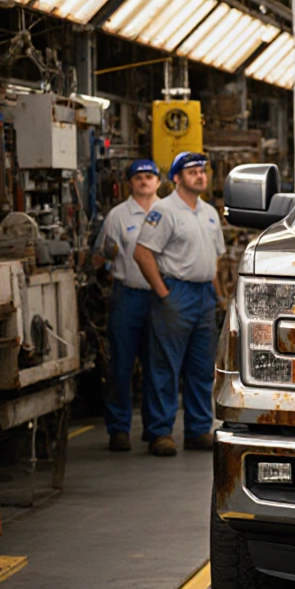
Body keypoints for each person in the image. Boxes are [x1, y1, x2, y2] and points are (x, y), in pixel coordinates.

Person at [133, 152, 225, 457]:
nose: (200, 176)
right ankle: (161, 432)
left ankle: (199, 429)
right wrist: (163, 294)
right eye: (192, 172)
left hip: (204, 295)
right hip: (177, 293)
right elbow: (143, 253)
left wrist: (219, 296)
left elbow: (214, 260)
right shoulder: (164, 211)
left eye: (202, 171)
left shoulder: (210, 213)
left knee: (201, 368)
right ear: (176, 178)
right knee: (165, 366)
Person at [94, 159, 162, 452]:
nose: (144, 181)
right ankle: (119, 428)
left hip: (161, 298)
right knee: (121, 365)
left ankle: (157, 429)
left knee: (158, 367)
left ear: (158, 182)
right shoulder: (118, 216)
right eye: (138, 177)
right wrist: (105, 266)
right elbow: (103, 254)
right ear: (129, 183)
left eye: (149, 176)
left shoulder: (170, 212)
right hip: (128, 296)